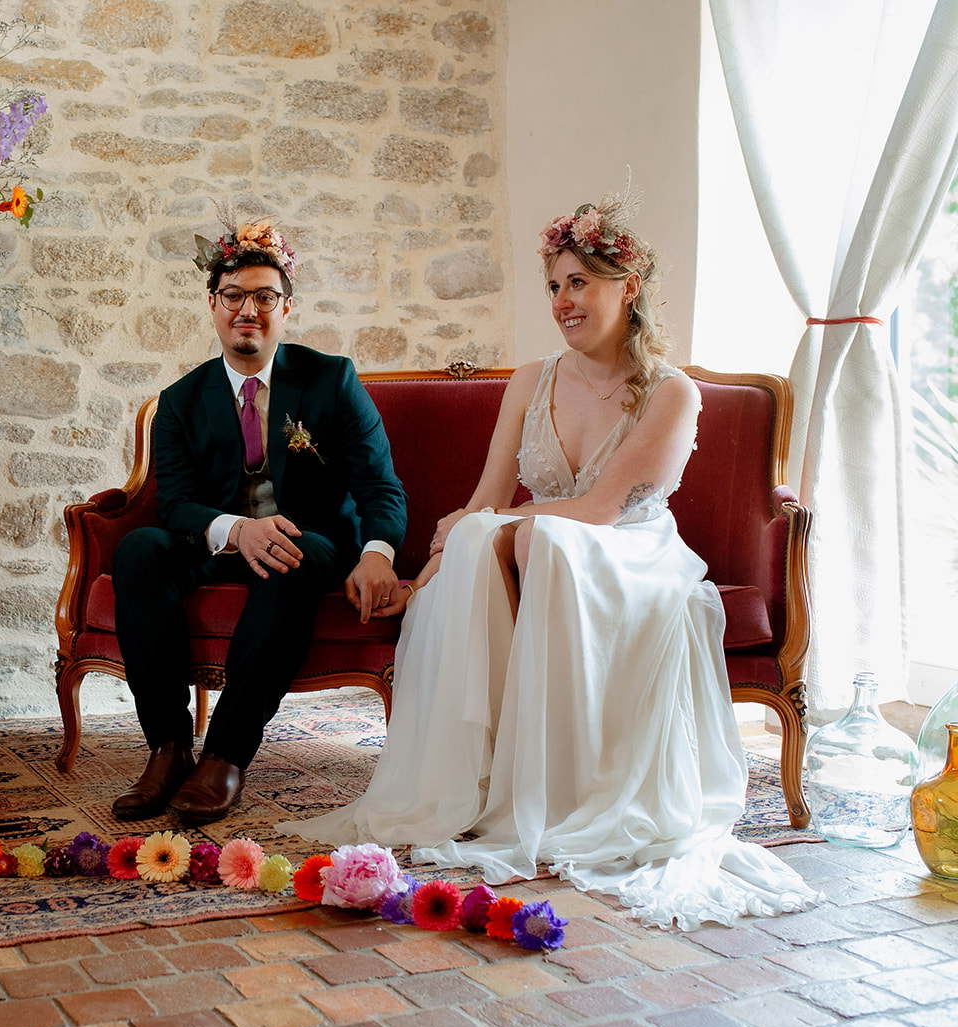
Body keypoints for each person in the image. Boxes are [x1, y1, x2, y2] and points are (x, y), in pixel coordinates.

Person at [278, 190, 820, 929]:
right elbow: (484, 501)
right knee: (495, 536)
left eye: (580, 283)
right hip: (539, 543)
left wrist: (500, 524)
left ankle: (558, 790)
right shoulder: (532, 380)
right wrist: (425, 577)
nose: (563, 301)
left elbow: (599, 511)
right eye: (555, 286)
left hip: (634, 557)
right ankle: (476, 788)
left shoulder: (670, 393)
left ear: (628, 288)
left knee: (541, 537)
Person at [111, 214, 408, 824]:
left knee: (289, 557)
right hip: (221, 542)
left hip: (310, 539)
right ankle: (167, 749)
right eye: (234, 296)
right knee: (141, 549)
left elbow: (380, 484)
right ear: (213, 305)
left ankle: (224, 755)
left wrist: (378, 552)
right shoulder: (179, 402)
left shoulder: (332, 380)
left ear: (287, 307)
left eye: (265, 297)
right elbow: (177, 505)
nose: (248, 309)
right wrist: (237, 529)